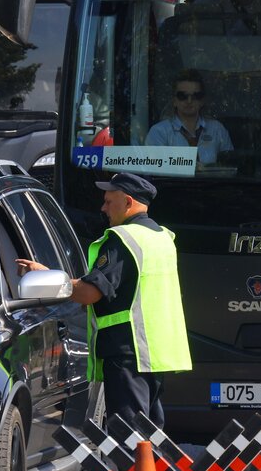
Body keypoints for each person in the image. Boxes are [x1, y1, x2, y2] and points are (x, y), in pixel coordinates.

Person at [15, 172, 192, 430]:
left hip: (127, 349)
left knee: (128, 434)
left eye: (109, 202)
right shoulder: (162, 237)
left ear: (128, 202)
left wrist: (47, 276)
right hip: (154, 352)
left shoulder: (123, 239)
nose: (103, 208)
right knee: (148, 432)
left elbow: (89, 293)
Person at [146, 68, 233, 164]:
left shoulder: (217, 130)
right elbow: (156, 172)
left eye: (196, 96)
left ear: (202, 100)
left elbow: (229, 167)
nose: (189, 101)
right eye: (182, 96)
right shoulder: (159, 132)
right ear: (174, 100)